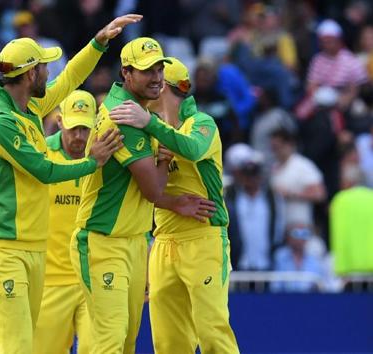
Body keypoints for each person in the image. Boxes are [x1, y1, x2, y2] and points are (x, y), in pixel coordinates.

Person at [0, 14, 141, 354]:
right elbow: (44, 170)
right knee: (15, 347)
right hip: (2, 248)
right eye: (44, 67)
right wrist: (93, 161)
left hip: (33, 247)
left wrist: (98, 43)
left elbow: (69, 80)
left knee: (24, 347)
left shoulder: (27, 106)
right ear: (30, 73)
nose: (50, 71)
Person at [71, 38, 216, 354]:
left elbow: (137, 188)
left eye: (159, 68)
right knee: (109, 339)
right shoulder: (124, 116)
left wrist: (173, 200)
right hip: (103, 239)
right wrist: (164, 160)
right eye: (146, 70)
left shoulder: (138, 111)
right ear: (126, 72)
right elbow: (152, 190)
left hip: (133, 241)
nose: (156, 77)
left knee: (124, 342)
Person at [110, 57, 239, 353]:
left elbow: (192, 149)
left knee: (212, 332)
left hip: (203, 239)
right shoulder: (153, 133)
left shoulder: (201, 123)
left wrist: (150, 123)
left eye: (157, 77)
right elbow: (146, 192)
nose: (151, 84)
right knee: (168, 342)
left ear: (166, 86)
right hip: (163, 243)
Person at [32, 90, 96, 354]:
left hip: (94, 280)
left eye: (85, 128)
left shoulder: (107, 158)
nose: (79, 137)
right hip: (50, 282)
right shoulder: (40, 156)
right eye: (73, 128)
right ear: (59, 122)